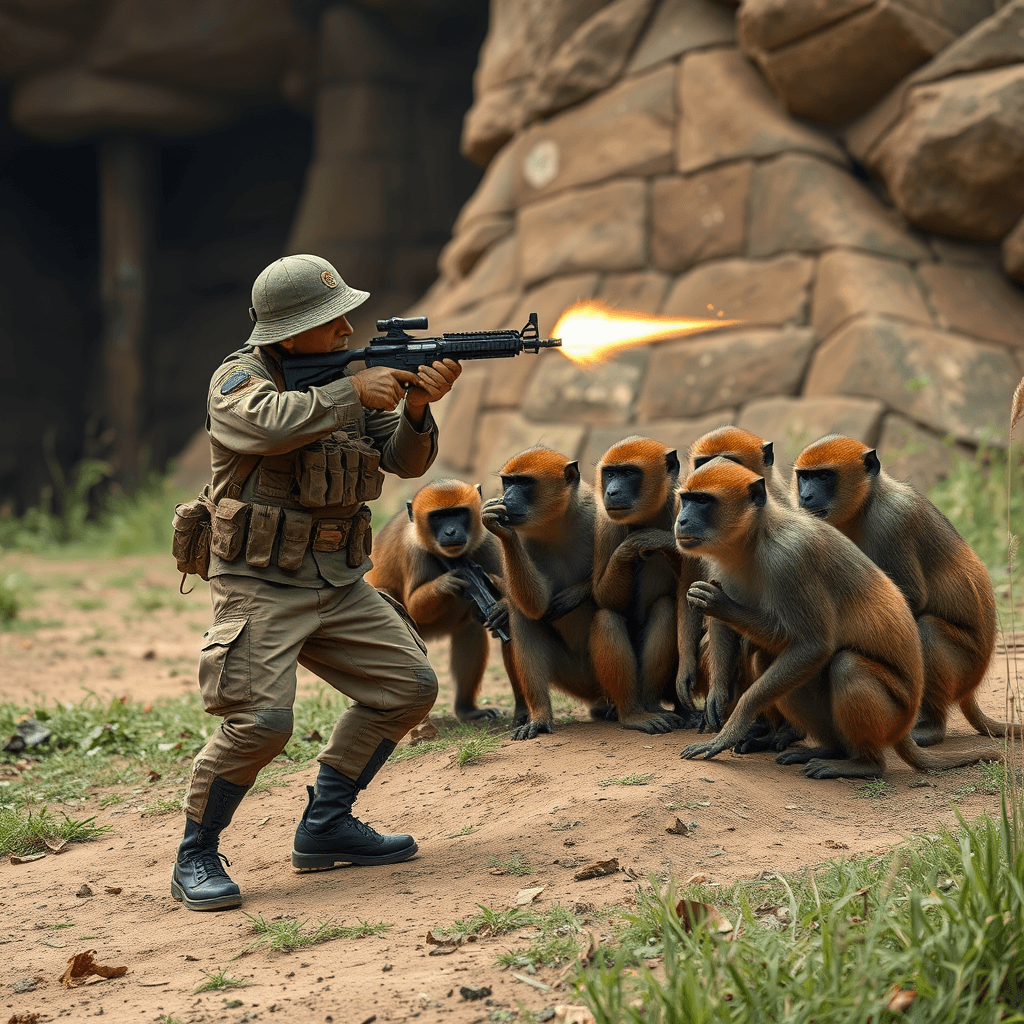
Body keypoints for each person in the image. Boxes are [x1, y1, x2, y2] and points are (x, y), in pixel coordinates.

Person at [171, 254, 461, 911]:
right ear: (288, 332)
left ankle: (327, 822)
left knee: (408, 686)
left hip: (337, 577)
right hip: (259, 583)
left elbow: (403, 458)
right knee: (264, 722)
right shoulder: (237, 380)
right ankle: (196, 852)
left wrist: (417, 405)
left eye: (343, 318)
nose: (344, 329)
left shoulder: (344, 377)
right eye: (329, 320)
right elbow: (266, 425)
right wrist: (350, 392)